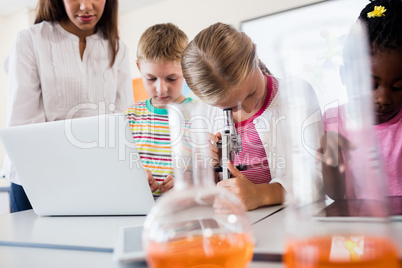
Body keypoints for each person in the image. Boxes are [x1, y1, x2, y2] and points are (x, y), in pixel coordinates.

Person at [5, 0, 133, 212]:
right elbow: (23, 126)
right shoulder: (30, 40)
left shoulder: (117, 49)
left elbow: (123, 121)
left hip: (96, 179)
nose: (85, 6)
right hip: (35, 179)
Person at [181, 22, 323, 210]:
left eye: (250, 93)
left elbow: (318, 178)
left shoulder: (298, 95)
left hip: (290, 218)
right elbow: (205, 191)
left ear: (255, 54)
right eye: (231, 107)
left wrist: (261, 195)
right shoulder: (206, 112)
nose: (248, 108)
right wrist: (209, 167)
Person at [320, 0, 402, 199]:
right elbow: (336, 195)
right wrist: (330, 160)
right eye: (370, 84)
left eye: (398, 87)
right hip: (360, 224)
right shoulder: (334, 120)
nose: (383, 98)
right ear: (346, 75)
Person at [124, 23, 192, 196]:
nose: (161, 89)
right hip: (141, 209)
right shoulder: (129, 118)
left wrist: (189, 182)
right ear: (139, 68)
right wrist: (136, 181)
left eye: (171, 78)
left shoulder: (199, 115)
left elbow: (212, 171)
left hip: (184, 207)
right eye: (151, 78)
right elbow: (119, 171)